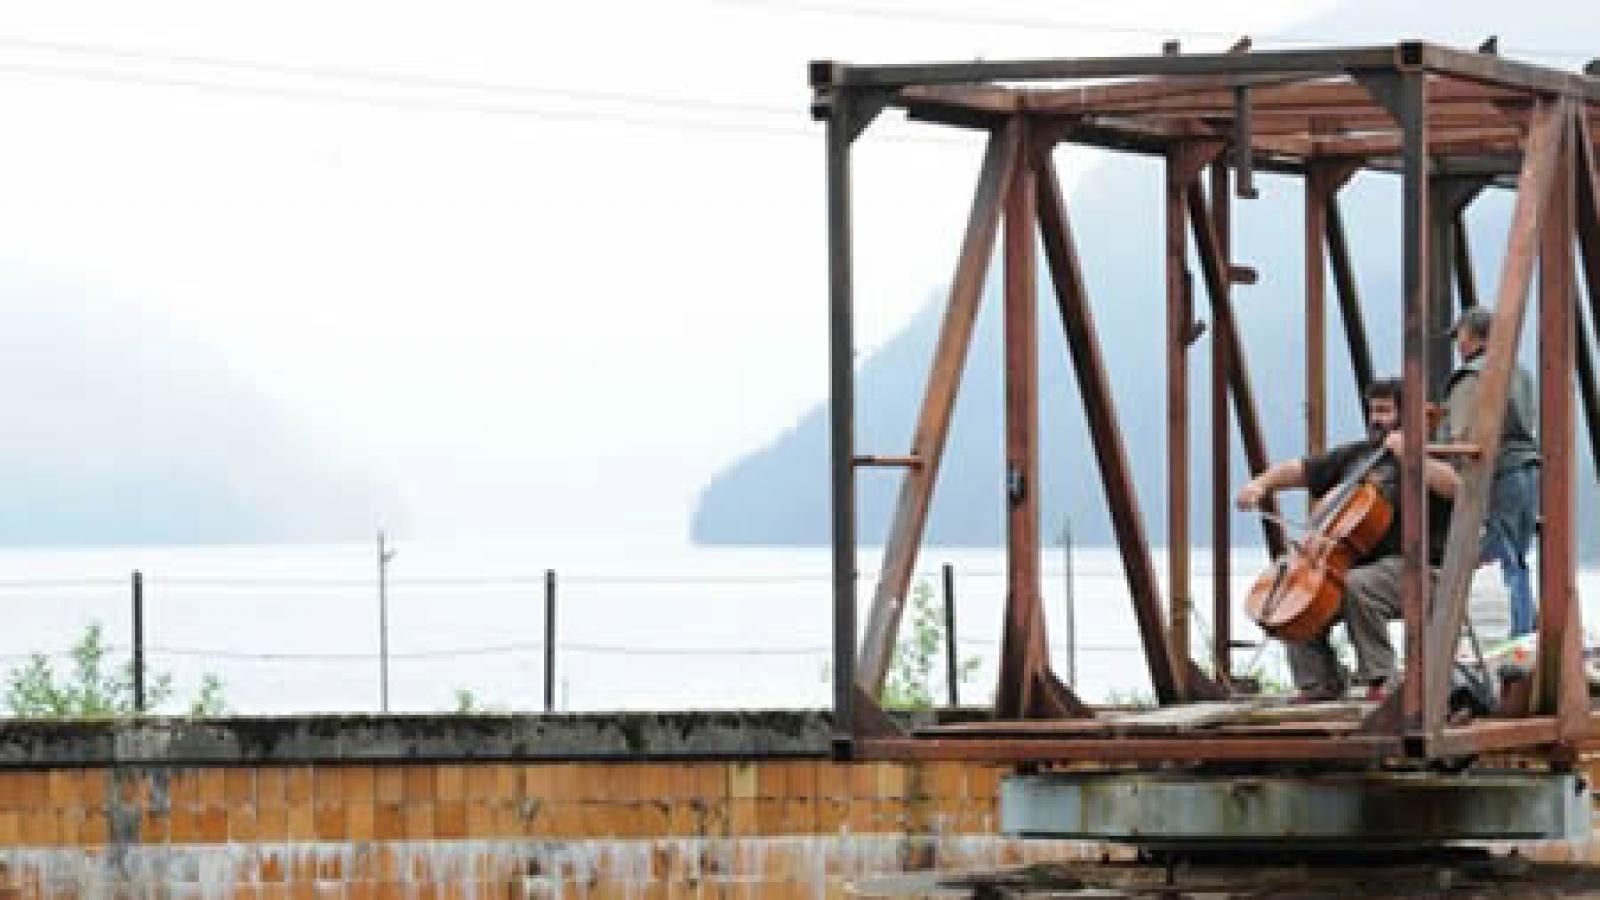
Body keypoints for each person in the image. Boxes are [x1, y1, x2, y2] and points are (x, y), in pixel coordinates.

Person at [1236, 378, 1460, 702]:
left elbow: (1460, 489)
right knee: (1292, 595)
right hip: (1353, 567)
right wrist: (1260, 485)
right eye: (1372, 410)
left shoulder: (1436, 454)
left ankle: (1382, 680)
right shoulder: (1359, 455)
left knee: (1359, 585)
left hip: (1423, 571)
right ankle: (1318, 682)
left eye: (1384, 411)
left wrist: (1413, 458)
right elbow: (1299, 469)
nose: (1375, 419)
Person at [1440, 306, 1541, 637]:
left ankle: (1509, 640)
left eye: (1460, 336)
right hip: (1528, 469)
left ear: (1472, 336)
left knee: (1498, 563)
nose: (1458, 344)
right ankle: (1524, 633)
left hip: (1498, 474)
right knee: (1518, 558)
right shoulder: (1520, 370)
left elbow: (1462, 437)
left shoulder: (1472, 374)